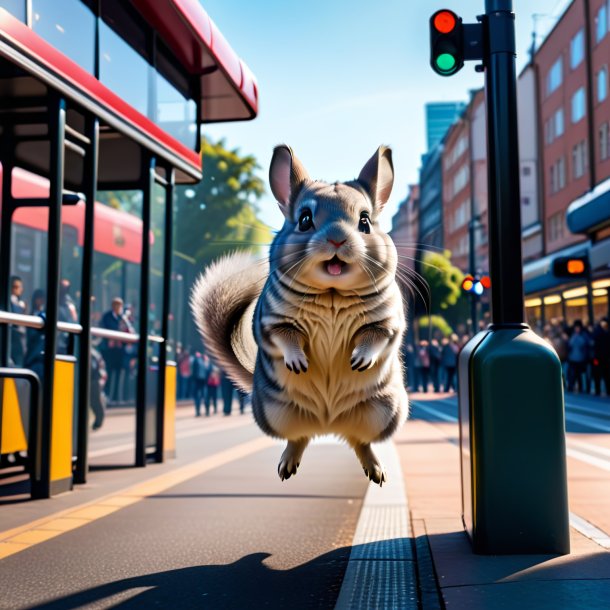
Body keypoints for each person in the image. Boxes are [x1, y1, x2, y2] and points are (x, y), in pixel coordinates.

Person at [100, 297, 132, 403]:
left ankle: (116, 398)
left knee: (119, 374)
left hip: (119, 351)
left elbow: (129, 332)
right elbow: (104, 330)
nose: (118, 308)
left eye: (120, 306)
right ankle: (106, 396)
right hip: (109, 351)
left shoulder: (122, 318)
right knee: (108, 373)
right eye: (116, 305)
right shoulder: (107, 317)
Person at [567, 320, 589, 393]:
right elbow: (570, 344)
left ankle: (580, 387)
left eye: (578, 328)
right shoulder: (573, 335)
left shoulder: (583, 335)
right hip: (572, 358)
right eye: (576, 328)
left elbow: (583, 344)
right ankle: (571, 386)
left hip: (581, 358)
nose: (577, 329)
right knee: (572, 374)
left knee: (579, 374)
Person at [9, 275, 27, 366]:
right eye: (14, 287)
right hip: (13, 341)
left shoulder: (20, 302)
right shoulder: (10, 301)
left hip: (19, 342)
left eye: (19, 287)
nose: (17, 289)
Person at [592, 318, 610, 397]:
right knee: (598, 375)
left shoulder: (606, 333)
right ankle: (598, 390)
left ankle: (607, 390)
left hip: (606, 358)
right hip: (598, 358)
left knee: (607, 375)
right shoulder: (598, 333)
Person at [191, 352, 210, 416]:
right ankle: (204, 411)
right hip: (201, 382)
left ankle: (199, 412)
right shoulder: (203, 361)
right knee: (203, 396)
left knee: (200, 397)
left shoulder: (197, 361)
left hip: (200, 382)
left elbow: (193, 371)